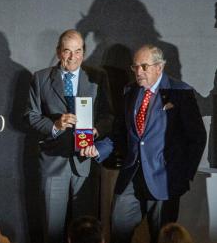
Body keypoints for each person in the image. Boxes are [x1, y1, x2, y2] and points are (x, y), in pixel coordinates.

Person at [86, 45, 206, 243]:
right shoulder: (129, 91)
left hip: (164, 181)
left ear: (159, 67)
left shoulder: (180, 92)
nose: (138, 72)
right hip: (131, 178)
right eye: (135, 67)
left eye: (144, 66)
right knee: (117, 232)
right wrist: (98, 149)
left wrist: (182, 175)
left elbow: (196, 137)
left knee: (161, 238)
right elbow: (121, 133)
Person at [24, 29, 113, 243]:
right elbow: (31, 115)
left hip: (85, 164)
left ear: (84, 52)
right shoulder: (41, 78)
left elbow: (108, 115)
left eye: (78, 51)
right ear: (58, 52)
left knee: (86, 232)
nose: (73, 57)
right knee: (53, 232)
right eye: (67, 51)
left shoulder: (97, 77)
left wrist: (96, 130)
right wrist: (55, 125)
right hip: (53, 163)